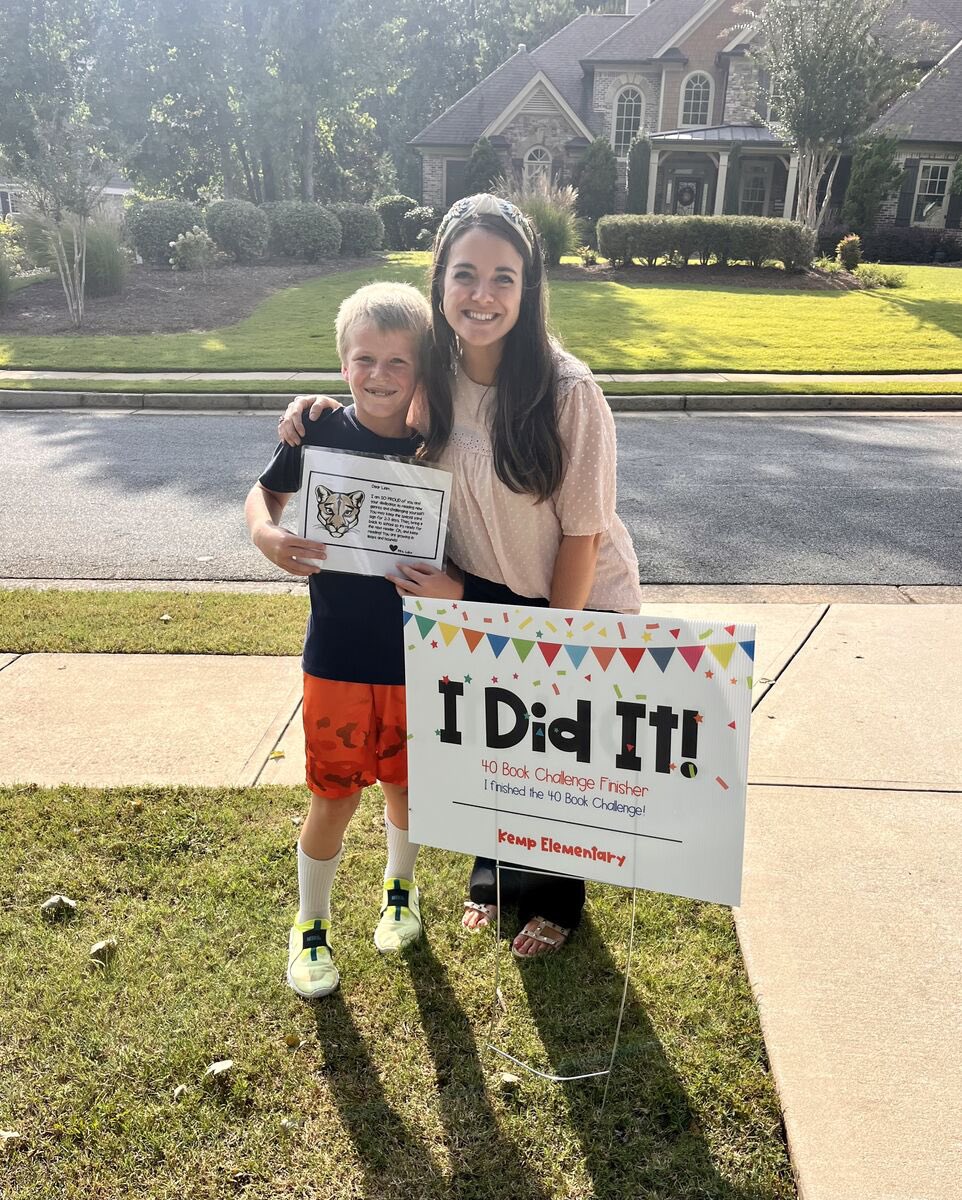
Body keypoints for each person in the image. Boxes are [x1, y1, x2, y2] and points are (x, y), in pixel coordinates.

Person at [279, 193, 641, 959]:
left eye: (503, 278)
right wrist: (314, 409)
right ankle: (494, 884)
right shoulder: (433, 380)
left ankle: (556, 903)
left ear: (528, 287)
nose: (482, 295)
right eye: (466, 274)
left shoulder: (567, 393)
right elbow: (375, 419)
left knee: (551, 759)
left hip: (570, 599)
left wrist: (556, 638)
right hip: (477, 594)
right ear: (440, 281)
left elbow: (583, 534)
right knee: (491, 747)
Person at [246, 281, 460, 1001]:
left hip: (415, 659)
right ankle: (311, 927)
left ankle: (401, 891)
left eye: (399, 361)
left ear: (422, 369)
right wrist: (266, 534)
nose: (379, 375)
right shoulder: (320, 431)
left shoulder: (444, 446)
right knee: (332, 798)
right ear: (343, 365)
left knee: (405, 786)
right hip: (336, 658)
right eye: (365, 359)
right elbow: (264, 494)